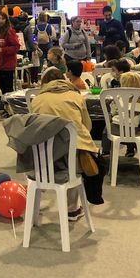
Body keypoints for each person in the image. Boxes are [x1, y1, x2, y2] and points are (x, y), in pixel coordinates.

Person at [31, 68, 98, 221]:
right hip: (71, 160)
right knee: (76, 152)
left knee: (38, 154)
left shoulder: (37, 100)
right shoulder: (76, 97)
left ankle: (34, 204)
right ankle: (72, 209)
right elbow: (87, 126)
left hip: (43, 160)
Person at [0, 11, 20, 95]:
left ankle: (8, 103)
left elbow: (16, 47)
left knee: (8, 89)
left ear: (6, 20)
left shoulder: (10, 31)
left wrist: (3, 50)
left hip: (8, 65)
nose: (0, 21)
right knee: (1, 87)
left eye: (3, 19)